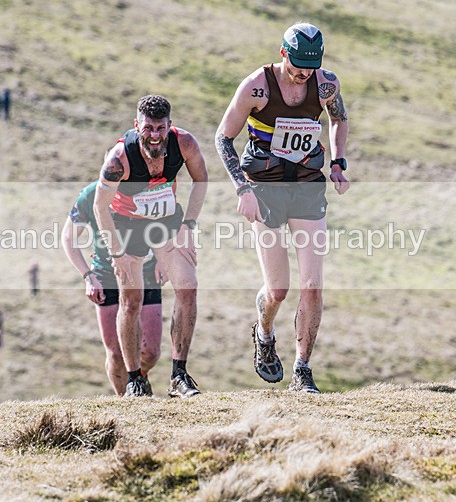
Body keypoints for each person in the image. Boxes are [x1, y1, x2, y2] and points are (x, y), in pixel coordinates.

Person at [214, 22, 350, 394]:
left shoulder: (326, 85)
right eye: (296, 65)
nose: (302, 73)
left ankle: (302, 370)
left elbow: (339, 119)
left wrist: (338, 163)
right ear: (282, 53)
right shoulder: (256, 86)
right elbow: (223, 137)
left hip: (306, 185)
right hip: (265, 187)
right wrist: (242, 187)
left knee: (313, 285)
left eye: (310, 65)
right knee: (278, 290)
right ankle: (264, 332)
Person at [93, 95, 208, 398]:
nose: (154, 135)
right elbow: (99, 207)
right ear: (137, 126)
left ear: (169, 126)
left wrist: (188, 225)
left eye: (160, 128)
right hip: (127, 226)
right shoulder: (120, 158)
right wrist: (115, 251)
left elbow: (201, 180)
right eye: (148, 128)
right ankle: (134, 380)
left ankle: (179, 376)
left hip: (165, 221)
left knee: (188, 286)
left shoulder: (184, 144)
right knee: (131, 301)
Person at [62, 181, 164, 396]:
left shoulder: (149, 188)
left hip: (144, 271)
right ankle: (127, 400)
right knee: (116, 355)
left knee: (150, 352)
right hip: (106, 275)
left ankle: (139, 378)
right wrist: (88, 277)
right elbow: (68, 238)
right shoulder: (91, 194)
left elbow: (165, 227)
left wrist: (163, 261)